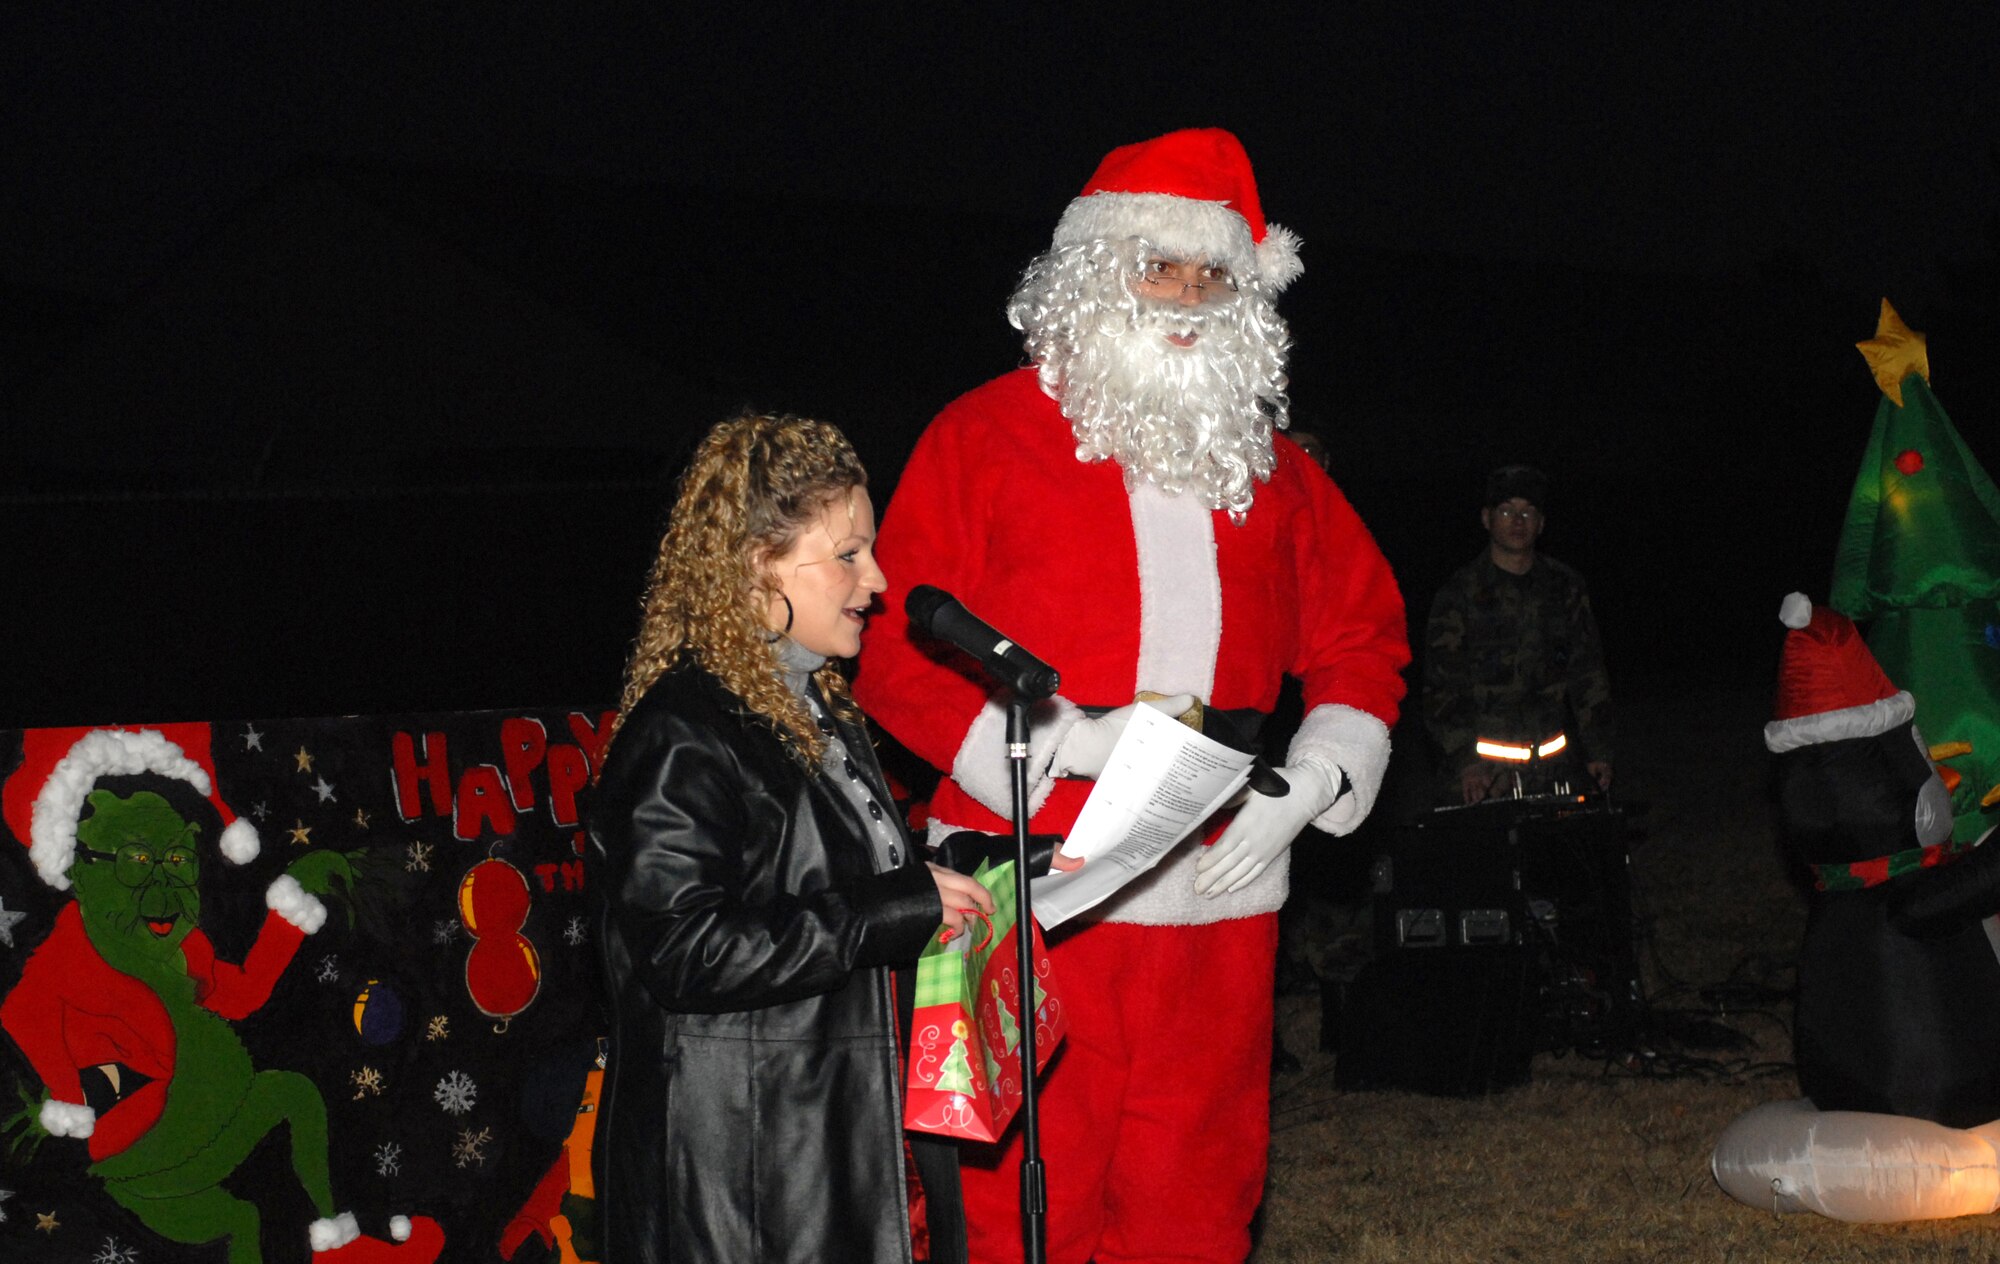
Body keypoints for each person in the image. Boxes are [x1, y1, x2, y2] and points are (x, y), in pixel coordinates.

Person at [855, 129, 1409, 1263]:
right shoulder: (980, 439)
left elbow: (1361, 633)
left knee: (1198, 1196)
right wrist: (1053, 741)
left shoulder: (1277, 473)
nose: (1187, 296)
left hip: (1223, 892)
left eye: (1214, 275)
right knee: (1015, 1197)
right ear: (1090, 273)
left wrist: (1305, 786)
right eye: (1159, 265)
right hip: (1033, 890)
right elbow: (888, 647)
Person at [586, 414, 997, 1264]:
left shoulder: (814, 706)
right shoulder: (686, 731)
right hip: (743, 1182)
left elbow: (828, 876)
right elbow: (686, 950)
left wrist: (961, 880)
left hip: (820, 1141)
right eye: (847, 554)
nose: (877, 580)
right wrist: (883, 915)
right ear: (756, 564)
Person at [1422, 464, 1613, 804]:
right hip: (1485, 778)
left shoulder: (1565, 586)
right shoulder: (1459, 593)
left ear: (1541, 523)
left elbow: (1588, 672)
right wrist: (1467, 763)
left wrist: (1598, 750)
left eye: (1528, 512)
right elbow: (1442, 689)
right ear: (1486, 519)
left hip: (1556, 768)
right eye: (1507, 511)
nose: (1518, 521)